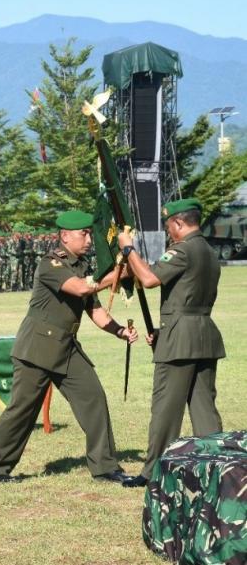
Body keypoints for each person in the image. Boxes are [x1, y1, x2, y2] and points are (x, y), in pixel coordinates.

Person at [0, 210, 138, 485]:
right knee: (22, 411)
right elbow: (79, 289)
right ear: (65, 236)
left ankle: (105, 467)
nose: (89, 239)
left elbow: (94, 309)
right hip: (37, 349)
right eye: (83, 234)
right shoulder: (51, 263)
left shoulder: (82, 266)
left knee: (93, 398)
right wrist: (116, 274)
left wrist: (120, 331)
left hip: (66, 347)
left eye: (90, 234)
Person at [117, 198, 226, 488]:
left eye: (168, 226)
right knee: (204, 409)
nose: (168, 232)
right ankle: (217, 469)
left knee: (165, 409)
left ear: (179, 222)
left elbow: (149, 278)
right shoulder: (208, 251)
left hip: (179, 340)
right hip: (203, 334)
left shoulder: (182, 250)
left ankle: (153, 471)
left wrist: (128, 248)